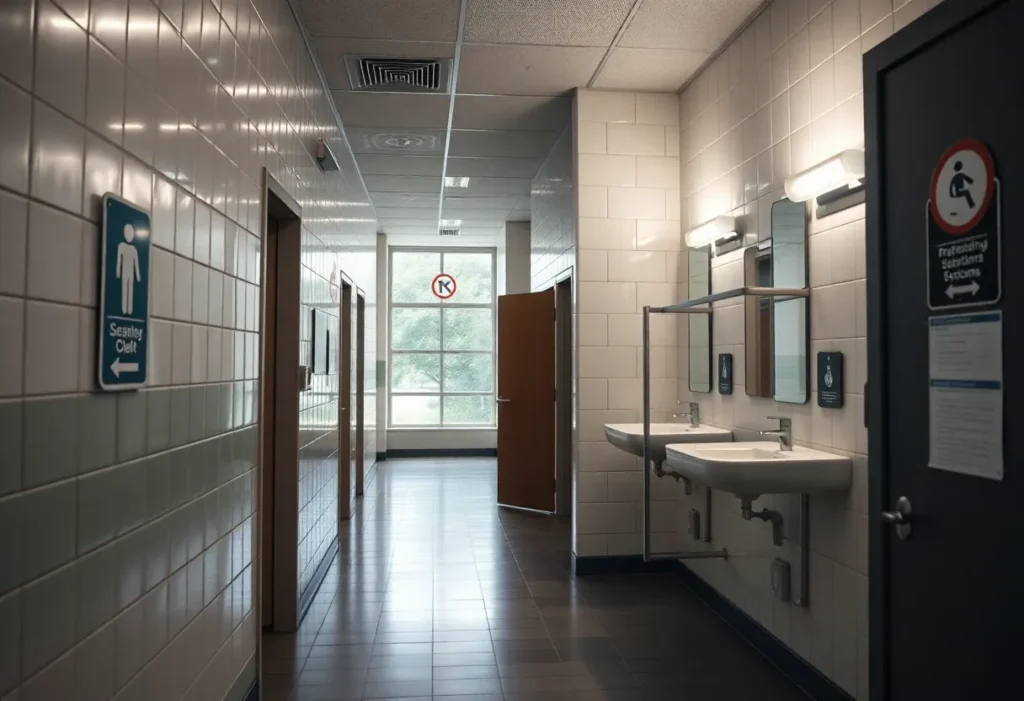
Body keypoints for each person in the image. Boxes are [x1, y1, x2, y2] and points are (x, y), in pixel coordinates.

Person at [117, 223, 141, 315]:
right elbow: (119, 260)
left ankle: (129, 310)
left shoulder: (134, 249)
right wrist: (118, 272)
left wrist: (138, 276)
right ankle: (124, 309)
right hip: (125, 272)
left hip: (130, 273)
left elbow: (136, 264)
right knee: (124, 289)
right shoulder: (121, 246)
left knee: (130, 291)